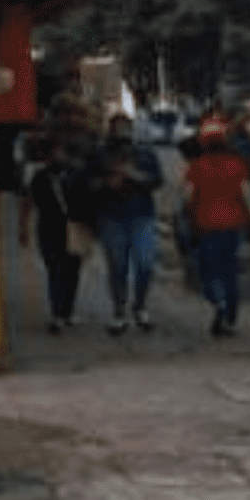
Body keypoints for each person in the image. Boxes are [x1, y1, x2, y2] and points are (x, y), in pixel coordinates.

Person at [182, 113, 250, 337]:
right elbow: (248, 198)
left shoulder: (197, 167)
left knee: (208, 272)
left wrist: (188, 219)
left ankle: (218, 301)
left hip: (206, 227)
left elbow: (188, 199)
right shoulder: (236, 164)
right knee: (229, 272)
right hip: (233, 227)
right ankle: (229, 318)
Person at [84, 110, 162, 333]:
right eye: (117, 128)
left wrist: (134, 175)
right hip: (111, 217)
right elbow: (87, 184)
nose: (122, 133)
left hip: (142, 216)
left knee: (145, 264)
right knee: (117, 267)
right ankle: (119, 311)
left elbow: (157, 180)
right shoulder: (99, 155)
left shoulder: (145, 154)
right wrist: (108, 183)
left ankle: (140, 306)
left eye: (125, 128)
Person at [18, 120, 86, 332]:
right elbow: (28, 202)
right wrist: (23, 228)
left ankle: (67, 311)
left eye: (62, 151)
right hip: (48, 228)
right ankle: (57, 314)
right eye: (56, 151)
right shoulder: (39, 175)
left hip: (73, 228)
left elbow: (86, 200)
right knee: (55, 269)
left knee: (72, 270)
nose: (60, 155)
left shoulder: (74, 173)